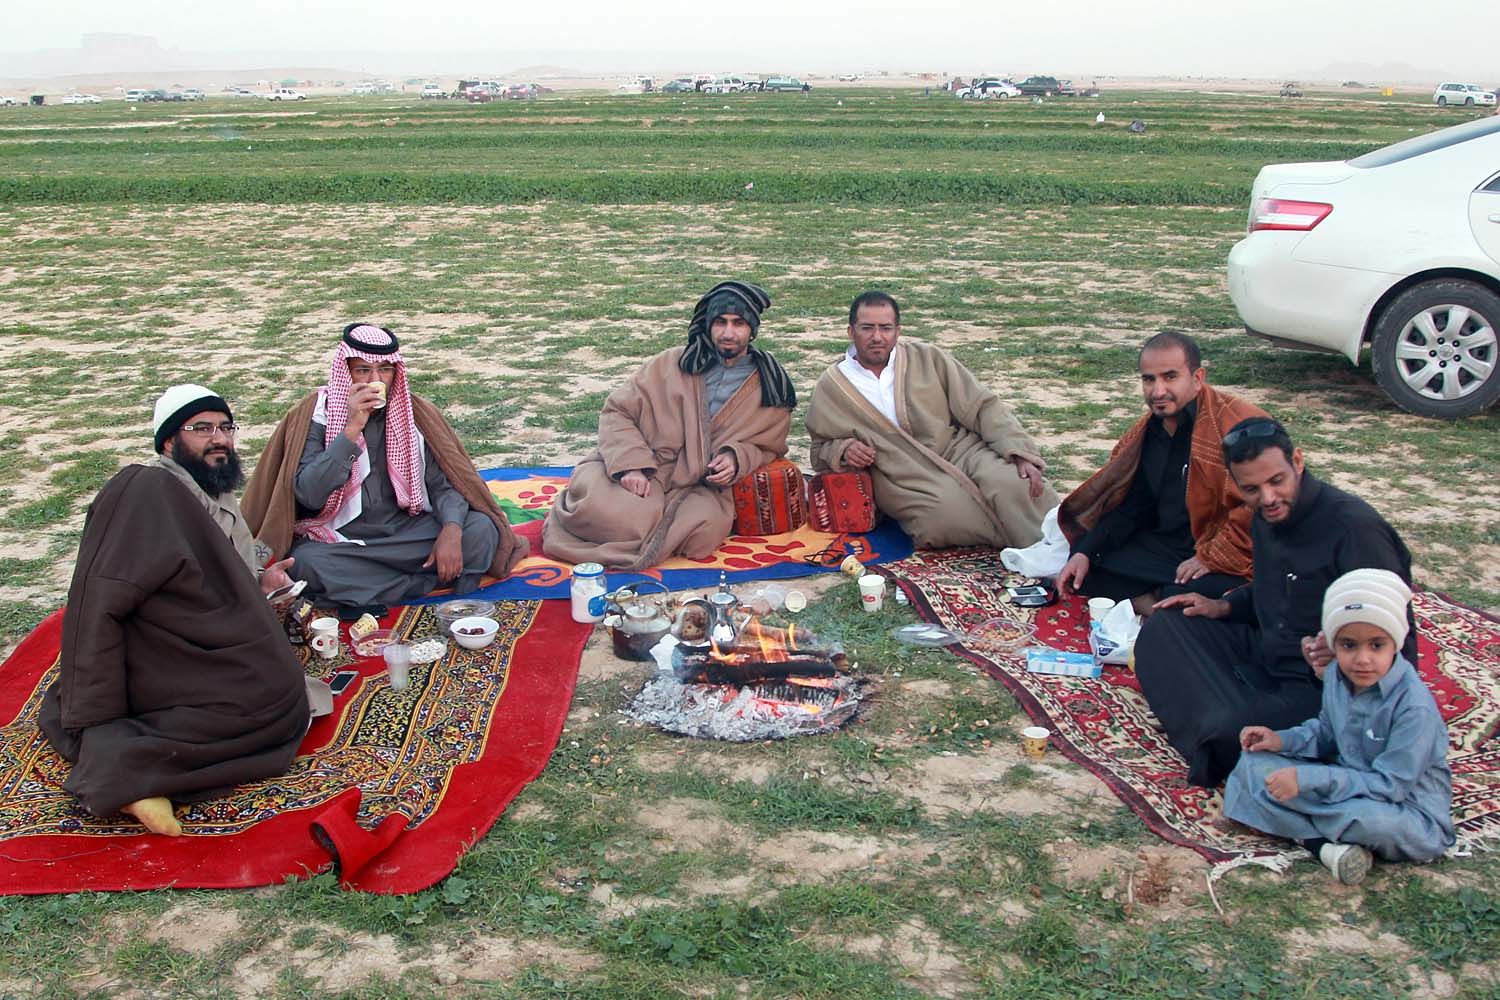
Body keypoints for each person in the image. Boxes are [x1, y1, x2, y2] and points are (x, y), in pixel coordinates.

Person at [39, 384, 314, 837]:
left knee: (284, 697)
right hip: (159, 651)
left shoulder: (216, 493)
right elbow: (100, 602)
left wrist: (262, 583)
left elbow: (219, 580)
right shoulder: (148, 493)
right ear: (168, 442)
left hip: (205, 637)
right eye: (201, 429)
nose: (219, 439)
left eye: (225, 427)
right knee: (269, 703)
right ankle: (125, 770)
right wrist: (97, 714)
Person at [1134, 417, 1417, 787]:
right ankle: (1223, 715)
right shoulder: (1265, 516)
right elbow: (1271, 589)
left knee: (1228, 731)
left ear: (1297, 462)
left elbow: (1400, 645)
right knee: (1166, 623)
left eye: (1276, 482)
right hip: (1270, 652)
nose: (1267, 498)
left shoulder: (1355, 530)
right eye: (1252, 489)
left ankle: (1222, 729)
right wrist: (1223, 606)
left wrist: (1343, 654)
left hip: (1325, 685)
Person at [243, 324, 528, 613]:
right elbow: (308, 494)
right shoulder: (318, 416)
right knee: (307, 563)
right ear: (346, 372)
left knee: (481, 529)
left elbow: (444, 484)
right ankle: (421, 584)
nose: (375, 380)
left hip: (406, 531)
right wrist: (352, 428)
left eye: (384, 370)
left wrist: (452, 530)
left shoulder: (413, 414)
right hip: (342, 538)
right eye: (363, 370)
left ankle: (369, 591)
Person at [542, 280, 796, 570]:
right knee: (610, 513)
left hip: (699, 486)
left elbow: (770, 446)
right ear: (708, 325)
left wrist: (736, 457)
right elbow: (617, 411)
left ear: (752, 329)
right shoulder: (671, 364)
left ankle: (646, 534)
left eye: (738, 323)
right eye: (720, 322)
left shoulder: (770, 384)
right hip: (644, 468)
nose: (728, 333)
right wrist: (631, 465)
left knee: (704, 534)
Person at [1223, 569, 1453, 884]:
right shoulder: (1336, 676)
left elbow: (1390, 785)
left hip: (1401, 809)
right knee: (1252, 765)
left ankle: (1307, 838)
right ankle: (1325, 846)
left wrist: (1306, 779)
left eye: (1376, 646)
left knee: (1372, 822)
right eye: (1348, 645)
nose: (1362, 659)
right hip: (1344, 788)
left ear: (1396, 644)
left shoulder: (1414, 707)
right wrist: (1281, 741)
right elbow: (1326, 732)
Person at [805, 290, 1056, 549]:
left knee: (1016, 485)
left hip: (958, 450)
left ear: (898, 331)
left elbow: (982, 405)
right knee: (944, 517)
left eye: (886, 328)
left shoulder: (928, 358)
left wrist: (1018, 450)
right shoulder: (833, 385)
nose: (877, 337)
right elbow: (819, 449)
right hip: (898, 473)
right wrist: (844, 450)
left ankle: (1062, 548)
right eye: (867, 328)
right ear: (851, 331)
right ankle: (1017, 547)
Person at [1056, 332, 1265, 612]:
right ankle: (1157, 599)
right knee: (1087, 570)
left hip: (1222, 551)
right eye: (1149, 379)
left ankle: (1156, 600)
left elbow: (1260, 506)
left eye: (1170, 377)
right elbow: (1134, 505)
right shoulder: (1149, 431)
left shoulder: (1237, 425)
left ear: (1197, 378)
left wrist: (1210, 557)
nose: (1157, 391)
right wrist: (1085, 551)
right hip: (1168, 547)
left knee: (1203, 589)